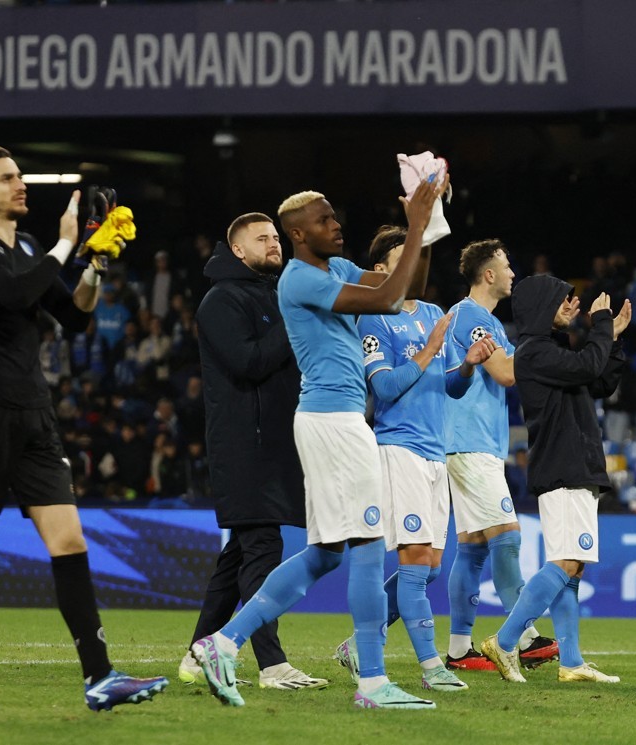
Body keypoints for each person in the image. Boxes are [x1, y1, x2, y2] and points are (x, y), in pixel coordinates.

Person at [0, 145, 167, 710]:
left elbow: (75, 315)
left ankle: (99, 677)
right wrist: (66, 242)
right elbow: (12, 293)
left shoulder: (28, 247)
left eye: (19, 177)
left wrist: (94, 264)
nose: (19, 185)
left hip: (35, 413)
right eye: (7, 179)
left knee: (69, 539)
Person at [190, 177, 448, 710]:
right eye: (325, 220)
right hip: (335, 421)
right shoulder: (299, 279)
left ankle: (222, 643)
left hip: (332, 419)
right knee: (369, 548)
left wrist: (427, 227)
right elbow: (387, 296)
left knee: (328, 552)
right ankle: (374, 683)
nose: (337, 225)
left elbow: (409, 290)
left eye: (334, 216)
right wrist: (417, 223)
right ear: (299, 233)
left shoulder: (336, 269)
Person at [335, 226, 495, 692]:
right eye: (405, 256)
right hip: (398, 447)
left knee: (428, 566)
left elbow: (451, 386)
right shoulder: (374, 319)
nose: (416, 264)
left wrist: (467, 363)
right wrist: (428, 351)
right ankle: (431, 668)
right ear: (383, 268)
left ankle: (357, 644)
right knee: (415, 558)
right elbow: (382, 388)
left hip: (434, 450)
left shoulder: (430, 313)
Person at [176, 212, 325, 691]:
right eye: (262, 238)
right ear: (237, 250)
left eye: (276, 237)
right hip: (245, 444)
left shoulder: (271, 294)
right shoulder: (220, 301)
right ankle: (271, 664)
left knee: (239, 555)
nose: (274, 243)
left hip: (277, 441)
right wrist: (295, 321)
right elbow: (250, 362)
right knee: (262, 548)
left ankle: (200, 654)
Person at [479, 277, 630, 684]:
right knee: (565, 560)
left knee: (573, 566)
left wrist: (611, 340)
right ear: (543, 305)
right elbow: (587, 366)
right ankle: (506, 640)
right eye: (565, 299)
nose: (574, 303)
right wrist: (600, 325)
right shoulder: (534, 352)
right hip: (564, 466)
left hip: (574, 465)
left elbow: (600, 380)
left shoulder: (553, 351)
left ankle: (572, 661)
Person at [442, 240, 558, 671]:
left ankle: (458, 650)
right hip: (469, 443)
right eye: (507, 265)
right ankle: (524, 638)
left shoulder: (482, 319)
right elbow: (507, 373)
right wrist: (540, 338)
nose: (513, 272)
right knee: (507, 536)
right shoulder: (472, 317)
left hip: (474, 442)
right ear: (488, 274)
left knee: (472, 547)